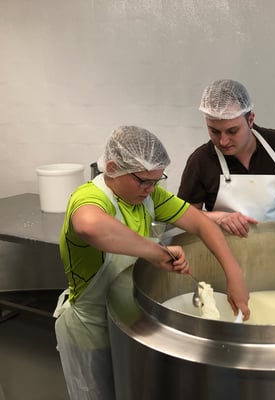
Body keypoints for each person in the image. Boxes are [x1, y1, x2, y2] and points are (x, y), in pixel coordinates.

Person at [54, 126, 250, 400]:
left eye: (156, 181)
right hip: (92, 331)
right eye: (143, 181)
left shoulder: (148, 197)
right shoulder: (90, 197)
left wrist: (234, 274)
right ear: (113, 167)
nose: (150, 189)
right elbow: (90, 227)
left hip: (129, 322)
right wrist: (156, 252)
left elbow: (202, 224)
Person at [177, 79, 275, 243]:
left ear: (251, 120)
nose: (223, 141)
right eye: (214, 131)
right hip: (223, 252)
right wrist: (218, 218)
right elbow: (182, 215)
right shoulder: (201, 160)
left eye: (232, 131)